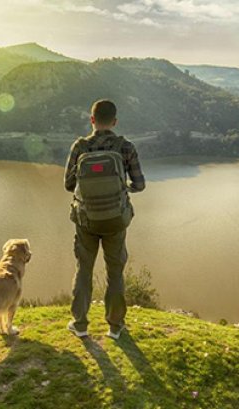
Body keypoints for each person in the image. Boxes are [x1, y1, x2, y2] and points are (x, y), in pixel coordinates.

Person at [64, 99, 145, 340]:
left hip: (86, 220)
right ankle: (115, 326)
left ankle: (80, 324)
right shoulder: (126, 147)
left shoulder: (80, 147)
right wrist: (122, 188)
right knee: (115, 272)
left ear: (92, 120)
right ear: (115, 122)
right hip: (116, 221)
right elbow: (140, 184)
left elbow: (69, 185)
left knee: (84, 269)